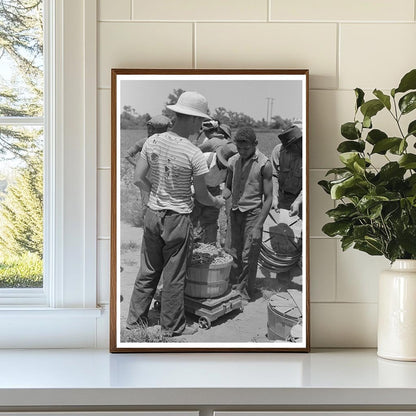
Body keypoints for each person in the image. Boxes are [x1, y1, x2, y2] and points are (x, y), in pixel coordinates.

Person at [126, 91, 225, 337]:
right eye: (199, 121)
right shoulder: (193, 154)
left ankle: (134, 321)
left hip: (153, 215)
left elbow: (138, 179)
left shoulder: (152, 142)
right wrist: (217, 201)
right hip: (178, 218)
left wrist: (153, 195)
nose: (200, 127)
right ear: (191, 119)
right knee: (174, 276)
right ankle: (171, 328)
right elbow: (202, 196)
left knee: (148, 270)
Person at [224, 126, 273, 302]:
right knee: (231, 251)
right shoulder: (233, 161)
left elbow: (268, 198)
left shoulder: (264, 164)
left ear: (255, 144)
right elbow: (228, 187)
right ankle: (233, 286)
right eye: (239, 148)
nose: (242, 152)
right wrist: (226, 200)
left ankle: (245, 291)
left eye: (246, 149)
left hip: (253, 214)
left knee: (248, 254)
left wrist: (259, 226)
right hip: (235, 212)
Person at [125, 115, 172, 216]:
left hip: (161, 178)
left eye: (152, 129)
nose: (150, 131)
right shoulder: (144, 141)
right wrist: (138, 166)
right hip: (145, 177)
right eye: (149, 129)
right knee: (146, 202)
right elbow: (128, 154)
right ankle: (146, 224)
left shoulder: (167, 142)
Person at [191, 142, 238, 244]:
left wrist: (222, 197)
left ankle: (210, 248)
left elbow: (228, 186)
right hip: (197, 190)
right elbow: (189, 178)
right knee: (192, 221)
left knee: (211, 222)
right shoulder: (204, 159)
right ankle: (191, 248)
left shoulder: (231, 168)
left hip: (215, 191)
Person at [271, 125, 303, 218]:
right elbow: (273, 175)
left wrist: (298, 201)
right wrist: (274, 197)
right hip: (282, 198)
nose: (288, 150)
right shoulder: (278, 151)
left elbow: (310, 183)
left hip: (302, 199)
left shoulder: (310, 154)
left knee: (302, 229)